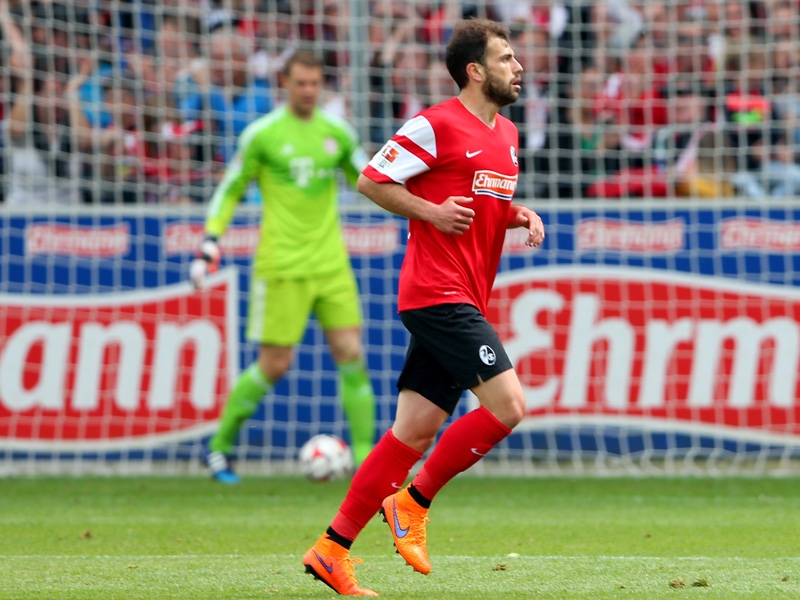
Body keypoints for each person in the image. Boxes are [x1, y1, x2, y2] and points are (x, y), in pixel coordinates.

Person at [302, 19, 544, 596]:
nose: (519, 67)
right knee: (509, 406)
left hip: (462, 294)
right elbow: (371, 180)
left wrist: (519, 214)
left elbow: (483, 204)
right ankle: (412, 502)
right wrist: (431, 212)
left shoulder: (508, 134)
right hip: (438, 293)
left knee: (412, 432)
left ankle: (331, 549)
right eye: (506, 58)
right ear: (475, 71)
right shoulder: (435, 124)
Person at [190, 51, 376, 483]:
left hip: (331, 263)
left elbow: (370, 182)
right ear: (284, 83)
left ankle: (367, 463)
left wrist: (420, 207)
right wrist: (210, 240)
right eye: (301, 83)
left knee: (351, 354)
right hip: (281, 265)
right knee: (274, 364)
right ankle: (219, 448)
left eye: (315, 83)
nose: (308, 91)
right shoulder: (263, 135)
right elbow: (230, 189)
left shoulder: (338, 132)